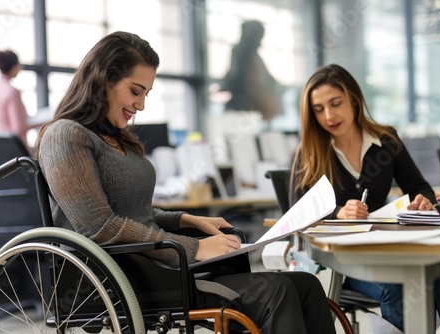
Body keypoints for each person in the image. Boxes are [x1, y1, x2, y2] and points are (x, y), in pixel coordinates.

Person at [34, 31, 336, 334]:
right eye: (135, 91)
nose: (140, 105)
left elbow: (136, 213)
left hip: (158, 266)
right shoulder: (65, 136)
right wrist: (193, 247)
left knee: (306, 285)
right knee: (277, 290)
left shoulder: (116, 138)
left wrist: (187, 219)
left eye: (145, 94)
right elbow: (98, 227)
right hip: (122, 277)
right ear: (104, 79)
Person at [289, 63, 440, 333]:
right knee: (398, 285)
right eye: (318, 109)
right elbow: (296, 207)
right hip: (339, 261)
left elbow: (419, 186)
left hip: (385, 248)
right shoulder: (312, 150)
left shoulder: (386, 140)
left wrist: (422, 200)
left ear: (354, 98)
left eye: (336, 103)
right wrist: (338, 212)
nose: (329, 115)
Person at [220, 20, 283, 123]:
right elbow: (236, 77)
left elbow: (267, 80)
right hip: (245, 106)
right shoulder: (240, 53)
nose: (260, 41)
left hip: (255, 107)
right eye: (259, 37)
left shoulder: (255, 57)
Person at [0, 50, 35, 150]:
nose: (20, 68)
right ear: (14, 67)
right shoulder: (11, 92)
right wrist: (42, 122)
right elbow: (18, 128)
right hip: (11, 151)